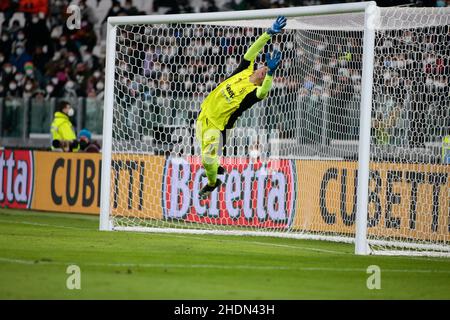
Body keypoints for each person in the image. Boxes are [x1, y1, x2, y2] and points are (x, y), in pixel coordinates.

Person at [196, 16, 286, 198]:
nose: (264, 69)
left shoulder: (252, 93)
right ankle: (215, 168)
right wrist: (268, 33)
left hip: (218, 127)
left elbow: (263, 93)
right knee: (206, 157)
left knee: (207, 158)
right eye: (264, 68)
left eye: (266, 71)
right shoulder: (244, 71)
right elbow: (251, 52)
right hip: (204, 115)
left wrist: (271, 74)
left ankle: (213, 183)